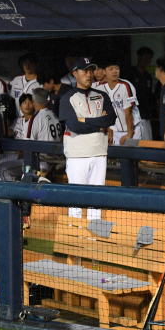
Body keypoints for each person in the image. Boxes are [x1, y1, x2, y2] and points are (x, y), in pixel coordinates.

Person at [59, 57, 116, 220]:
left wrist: (86, 120)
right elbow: (74, 125)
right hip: (77, 155)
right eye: (85, 71)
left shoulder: (102, 95)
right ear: (75, 73)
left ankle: (93, 241)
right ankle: (74, 240)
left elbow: (110, 120)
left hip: (99, 152)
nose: (89, 74)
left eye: (91, 70)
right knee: (76, 200)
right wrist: (100, 125)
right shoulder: (67, 98)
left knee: (96, 201)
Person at [95, 61, 142, 145]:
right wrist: (110, 132)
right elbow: (107, 113)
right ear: (104, 71)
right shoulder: (100, 89)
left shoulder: (126, 86)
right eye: (111, 69)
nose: (115, 71)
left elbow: (129, 113)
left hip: (133, 129)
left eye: (117, 68)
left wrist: (129, 134)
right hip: (116, 131)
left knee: (133, 156)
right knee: (119, 157)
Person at [128, 47, 155, 140]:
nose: (147, 60)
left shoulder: (148, 77)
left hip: (145, 115)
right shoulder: (130, 74)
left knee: (147, 144)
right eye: (145, 57)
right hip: (133, 115)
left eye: (149, 58)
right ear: (139, 57)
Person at [9, 53, 40, 131]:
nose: (28, 65)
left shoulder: (40, 82)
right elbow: (11, 103)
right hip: (18, 120)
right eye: (25, 63)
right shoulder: (16, 80)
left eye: (30, 63)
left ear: (36, 65)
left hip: (34, 120)